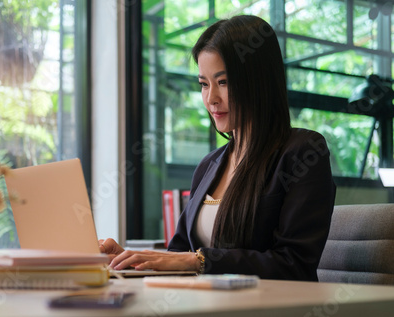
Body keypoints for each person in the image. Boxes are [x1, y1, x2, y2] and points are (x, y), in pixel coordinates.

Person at [99, 15, 336, 281]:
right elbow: (178, 254)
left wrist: (199, 260)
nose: (211, 98)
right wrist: (129, 261)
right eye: (204, 84)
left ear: (258, 80)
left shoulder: (302, 152)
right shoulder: (208, 165)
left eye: (223, 82)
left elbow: (293, 264)